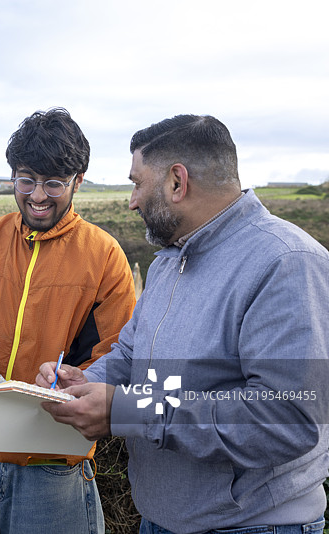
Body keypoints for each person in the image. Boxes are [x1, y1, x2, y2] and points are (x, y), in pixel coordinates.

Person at [38, 114, 329, 533]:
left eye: (137, 183)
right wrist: (80, 381)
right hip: (159, 521)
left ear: (177, 182)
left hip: (253, 526)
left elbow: (287, 417)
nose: (133, 201)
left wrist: (129, 411)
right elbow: (131, 355)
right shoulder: (169, 262)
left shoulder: (286, 263)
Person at [0, 107, 137, 533]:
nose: (37, 196)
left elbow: (117, 359)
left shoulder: (105, 258)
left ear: (79, 181)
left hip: (52, 470)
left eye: (54, 183)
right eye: (26, 180)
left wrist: (74, 377)